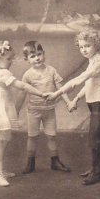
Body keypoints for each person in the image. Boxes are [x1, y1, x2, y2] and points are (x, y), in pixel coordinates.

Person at [46, 29, 100, 185]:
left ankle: (97, 171)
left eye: (88, 46)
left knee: (94, 138)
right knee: (94, 138)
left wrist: (56, 94)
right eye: (81, 46)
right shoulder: (92, 61)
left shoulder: (99, 62)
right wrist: (76, 99)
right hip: (96, 102)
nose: (84, 49)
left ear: (97, 45)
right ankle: (94, 168)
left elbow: (77, 81)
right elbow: (89, 83)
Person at [0, 40, 48, 187]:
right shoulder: (3, 73)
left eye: (12, 58)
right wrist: (40, 93)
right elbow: (21, 85)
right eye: (9, 59)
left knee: (2, 141)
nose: (11, 62)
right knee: (1, 142)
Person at [16, 40, 72, 174]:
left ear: (44, 54)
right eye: (33, 56)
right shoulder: (27, 75)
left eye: (39, 54)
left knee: (51, 136)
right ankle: (30, 163)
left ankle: (55, 161)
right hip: (34, 111)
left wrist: (68, 102)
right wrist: (15, 111)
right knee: (32, 137)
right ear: (27, 59)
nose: (37, 58)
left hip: (49, 111)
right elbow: (22, 93)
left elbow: (61, 88)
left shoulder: (51, 70)